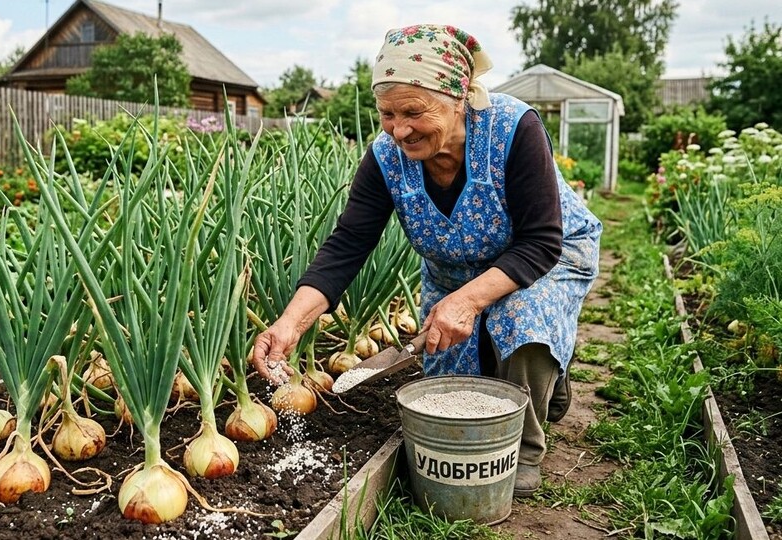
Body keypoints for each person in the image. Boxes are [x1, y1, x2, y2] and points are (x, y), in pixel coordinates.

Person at [251, 24, 601, 497]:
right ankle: (542, 375)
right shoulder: (385, 158)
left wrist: (469, 301)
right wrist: (290, 324)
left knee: (522, 319)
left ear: (458, 97)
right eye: (387, 114)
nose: (399, 129)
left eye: (414, 112)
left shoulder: (513, 128)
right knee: (459, 385)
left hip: (546, 256)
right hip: (454, 272)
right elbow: (348, 244)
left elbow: (541, 241)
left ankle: (525, 446)